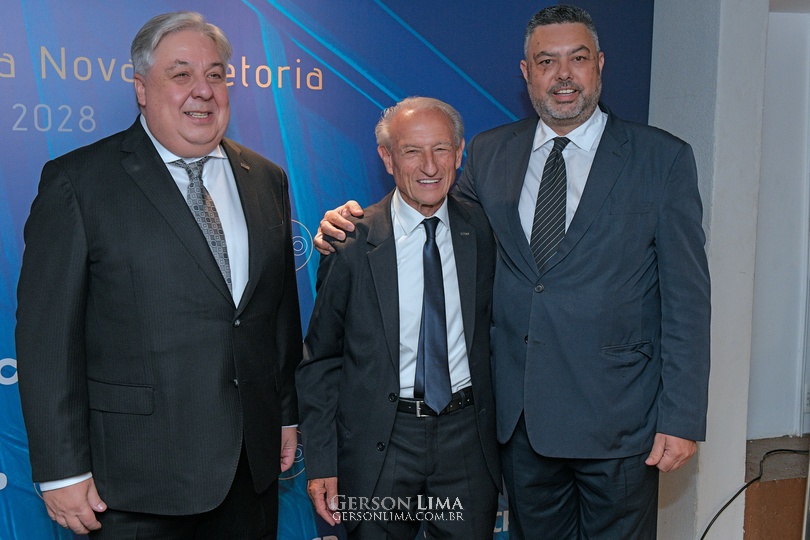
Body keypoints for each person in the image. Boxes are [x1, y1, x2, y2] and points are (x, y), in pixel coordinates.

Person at [314, 5, 711, 539]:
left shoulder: (662, 159)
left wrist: (680, 418)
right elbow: (429, 215)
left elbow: (687, 301)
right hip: (520, 428)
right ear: (526, 73)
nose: (562, 75)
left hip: (620, 424)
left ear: (600, 64)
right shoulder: (490, 152)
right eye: (546, 61)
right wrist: (348, 223)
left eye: (577, 59)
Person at [16, 11, 302, 538]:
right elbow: (46, 340)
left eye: (215, 74)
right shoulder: (78, 183)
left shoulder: (266, 179)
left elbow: (277, 313)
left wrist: (284, 413)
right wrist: (62, 469)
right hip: (132, 484)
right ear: (142, 88)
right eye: (181, 74)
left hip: (250, 472)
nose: (203, 90)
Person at [297, 97, 500, 539]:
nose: (429, 166)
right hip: (380, 444)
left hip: (466, 442)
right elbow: (322, 361)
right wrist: (323, 462)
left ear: (459, 153)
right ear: (387, 159)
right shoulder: (350, 242)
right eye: (411, 151)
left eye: (441, 149)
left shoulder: (484, 231)